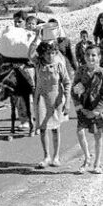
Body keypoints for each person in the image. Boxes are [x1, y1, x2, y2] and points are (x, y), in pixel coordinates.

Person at [28, 35, 71, 169]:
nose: (51, 55)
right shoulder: (38, 64)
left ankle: (56, 156)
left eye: (53, 52)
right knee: (42, 129)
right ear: (42, 54)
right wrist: (36, 37)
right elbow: (30, 54)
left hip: (56, 99)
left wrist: (67, 102)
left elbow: (67, 83)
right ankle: (46, 156)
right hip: (41, 99)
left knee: (55, 129)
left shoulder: (59, 65)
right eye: (48, 53)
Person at [71, 45, 103, 174]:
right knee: (79, 131)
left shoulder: (101, 73)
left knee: (98, 135)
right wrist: (79, 107)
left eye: (94, 55)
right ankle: (87, 158)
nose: (90, 58)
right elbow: (74, 90)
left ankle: (97, 163)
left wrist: (97, 110)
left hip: (97, 108)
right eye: (88, 55)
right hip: (83, 107)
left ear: (99, 57)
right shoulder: (80, 71)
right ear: (84, 56)